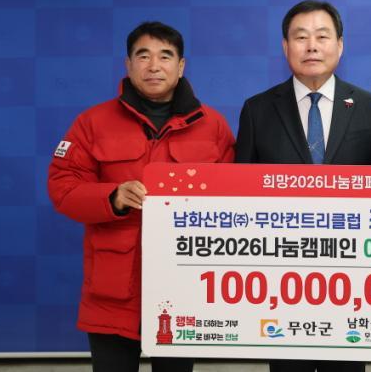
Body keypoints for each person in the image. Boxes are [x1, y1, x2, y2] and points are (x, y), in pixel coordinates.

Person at [48, 21, 235, 372]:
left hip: (184, 286)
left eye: (165, 56)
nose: (154, 66)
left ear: (181, 65)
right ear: (128, 64)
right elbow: (63, 187)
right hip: (113, 290)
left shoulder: (213, 126)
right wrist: (112, 197)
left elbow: (234, 199)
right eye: (143, 56)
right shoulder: (92, 122)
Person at [235, 0, 371, 371]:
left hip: (352, 277)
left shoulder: (370, 107)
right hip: (281, 276)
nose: (311, 46)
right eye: (300, 37)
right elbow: (241, 193)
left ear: (340, 45)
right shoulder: (257, 110)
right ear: (285, 46)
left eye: (322, 36)